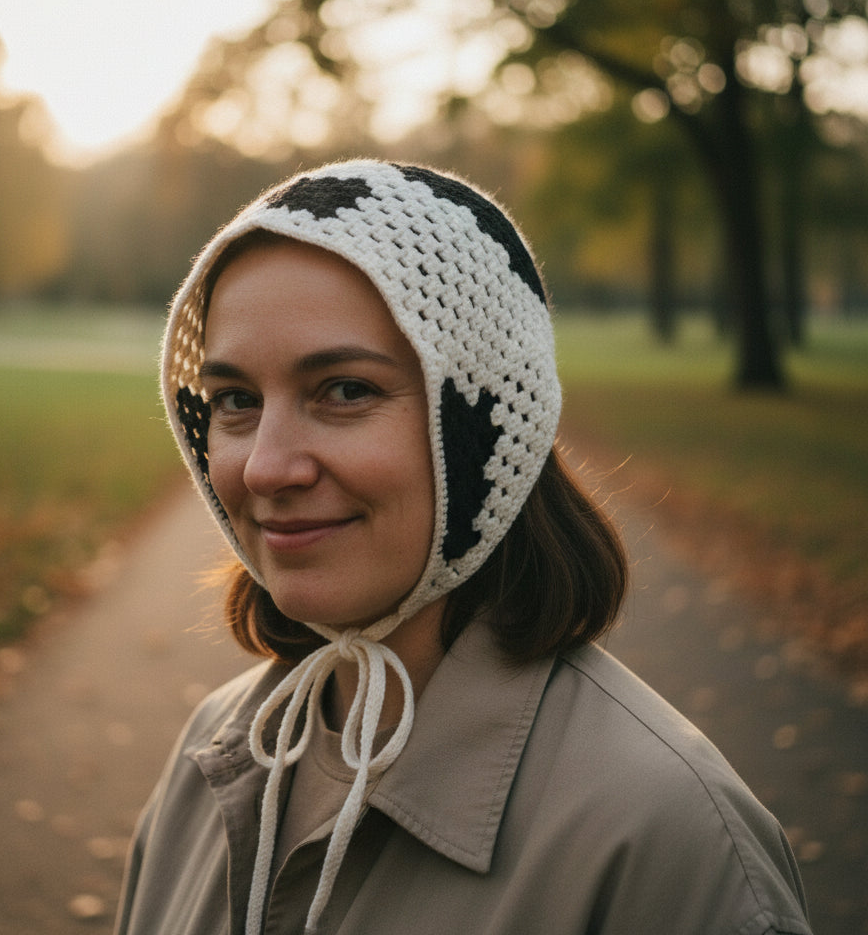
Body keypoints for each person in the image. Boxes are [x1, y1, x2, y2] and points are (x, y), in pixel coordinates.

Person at [115, 160, 812, 935]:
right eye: (236, 401)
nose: (268, 467)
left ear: (484, 427)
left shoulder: (665, 838)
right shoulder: (215, 752)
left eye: (345, 390)